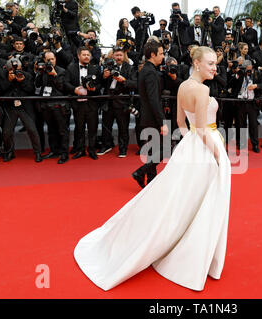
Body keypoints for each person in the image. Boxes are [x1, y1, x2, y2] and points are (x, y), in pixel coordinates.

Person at [74, 45, 231, 292]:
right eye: (211, 63)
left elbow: (181, 122)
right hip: (205, 146)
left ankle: (174, 240)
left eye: (216, 64)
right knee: (203, 203)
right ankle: (188, 253)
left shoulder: (182, 86)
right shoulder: (201, 90)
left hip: (190, 145)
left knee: (179, 199)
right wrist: (217, 155)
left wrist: (194, 143)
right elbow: (202, 129)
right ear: (197, 63)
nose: (215, 68)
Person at [131, 40, 167, 188]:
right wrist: (162, 122)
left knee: (154, 152)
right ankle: (140, 172)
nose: (163, 57)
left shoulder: (145, 69)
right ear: (153, 55)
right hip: (152, 118)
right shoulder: (151, 72)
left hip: (147, 116)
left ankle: (151, 183)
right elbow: (153, 100)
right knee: (164, 151)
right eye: (161, 53)